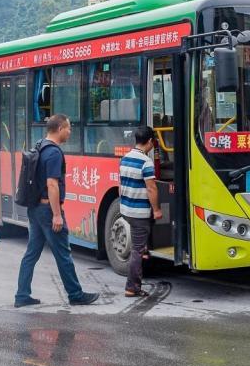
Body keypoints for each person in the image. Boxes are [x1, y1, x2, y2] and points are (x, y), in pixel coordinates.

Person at [15, 114, 99, 308]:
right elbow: (52, 184)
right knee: (63, 254)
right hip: (47, 210)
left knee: (31, 253)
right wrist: (57, 214)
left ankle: (22, 295)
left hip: (35, 208)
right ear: (60, 128)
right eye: (68, 128)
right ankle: (75, 294)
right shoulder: (54, 153)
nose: (70, 132)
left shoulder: (40, 145)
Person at [119, 126, 163, 298]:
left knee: (139, 247)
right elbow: (151, 188)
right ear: (150, 142)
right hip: (139, 212)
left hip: (127, 210)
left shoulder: (125, 158)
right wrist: (157, 210)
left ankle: (142, 259)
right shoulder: (146, 162)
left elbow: (121, 185)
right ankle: (132, 287)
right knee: (137, 250)